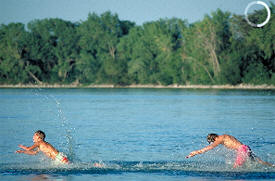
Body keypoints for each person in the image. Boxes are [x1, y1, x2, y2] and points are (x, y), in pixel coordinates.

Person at [186, 133, 274, 168]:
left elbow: (209, 148)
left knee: (235, 168)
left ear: (214, 139)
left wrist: (196, 152)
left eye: (212, 141)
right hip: (245, 147)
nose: (214, 143)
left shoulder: (219, 139)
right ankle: (272, 165)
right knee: (258, 161)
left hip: (242, 150)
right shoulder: (225, 136)